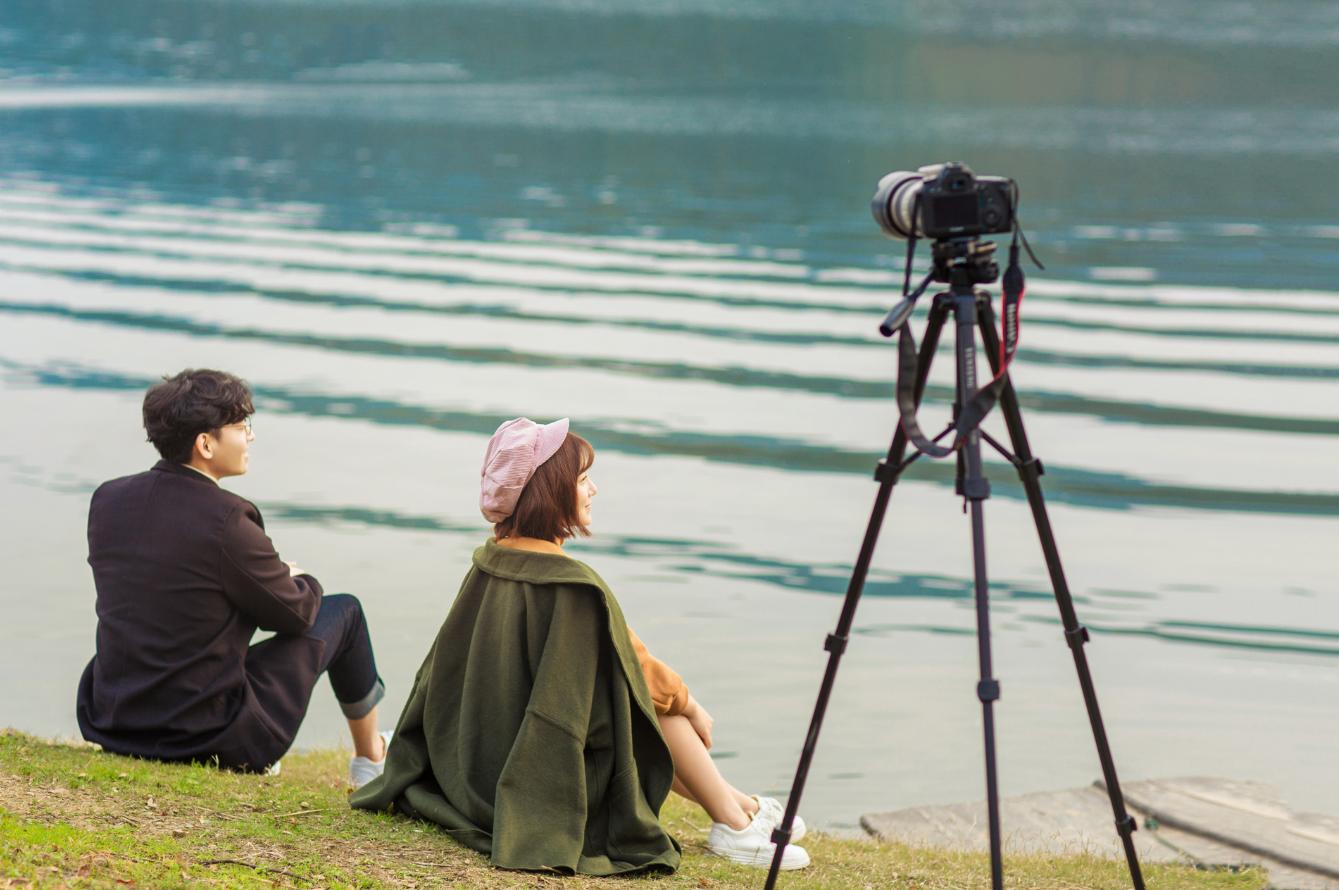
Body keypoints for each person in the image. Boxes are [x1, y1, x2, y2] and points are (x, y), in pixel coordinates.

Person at [350, 417, 810, 871]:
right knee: (652, 709)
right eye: (584, 480)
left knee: (633, 704)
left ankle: (741, 804)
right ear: (549, 493)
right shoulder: (573, 585)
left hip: (478, 769)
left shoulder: (490, 561)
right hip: (542, 785)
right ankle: (732, 825)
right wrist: (689, 704)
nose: (593, 491)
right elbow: (636, 669)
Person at [76, 368, 390, 788]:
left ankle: (369, 757)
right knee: (344, 611)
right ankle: (371, 759)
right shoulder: (228, 519)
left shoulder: (108, 499)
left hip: (114, 720)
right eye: (242, 427)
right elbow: (294, 615)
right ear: (205, 443)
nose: (251, 437)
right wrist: (301, 578)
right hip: (210, 735)